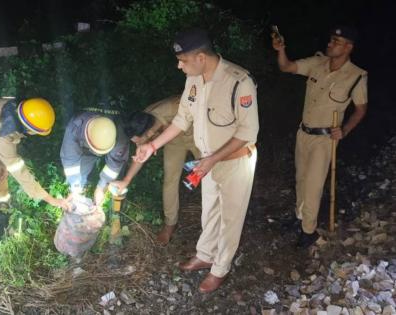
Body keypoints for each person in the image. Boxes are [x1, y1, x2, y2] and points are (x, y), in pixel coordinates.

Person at [133, 28, 259, 293]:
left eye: (183, 60)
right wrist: (152, 145)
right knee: (209, 210)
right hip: (207, 161)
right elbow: (182, 119)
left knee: (230, 218)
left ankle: (220, 269)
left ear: (201, 57)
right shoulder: (194, 79)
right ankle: (205, 255)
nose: (179, 66)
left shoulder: (239, 81)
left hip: (235, 162)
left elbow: (248, 133)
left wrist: (213, 158)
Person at [272, 26, 368, 248]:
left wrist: (343, 130)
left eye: (336, 41)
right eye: (331, 39)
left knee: (313, 185)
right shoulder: (317, 63)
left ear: (348, 47)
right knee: (301, 180)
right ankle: (299, 218)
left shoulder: (356, 76)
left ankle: (309, 231)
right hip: (303, 132)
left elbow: (361, 109)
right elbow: (286, 67)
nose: (330, 43)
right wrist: (281, 49)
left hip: (324, 139)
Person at [0, 97, 71, 252]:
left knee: (0, 185)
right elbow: (18, 169)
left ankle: (1, 227)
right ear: (28, 128)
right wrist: (50, 199)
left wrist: (3, 162)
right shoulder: (4, 130)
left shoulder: (11, 107)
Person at [112, 95, 200, 245]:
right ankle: (170, 224)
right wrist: (126, 180)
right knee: (169, 180)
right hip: (174, 141)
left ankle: (215, 222)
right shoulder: (142, 122)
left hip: (198, 134)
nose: (139, 144)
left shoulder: (173, 106)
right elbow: (140, 156)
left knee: (212, 175)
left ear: (150, 133)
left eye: (140, 141)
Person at [60, 110, 129, 206]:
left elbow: (115, 164)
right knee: (77, 178)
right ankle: (79, 194)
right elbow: (70, 161)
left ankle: (116, 207)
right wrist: (75, 187)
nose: (98, 153)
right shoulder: (75, 127)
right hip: (86, 149)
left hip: (111, 138)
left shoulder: (120, 136)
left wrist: (101, 187)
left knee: (117, 177)